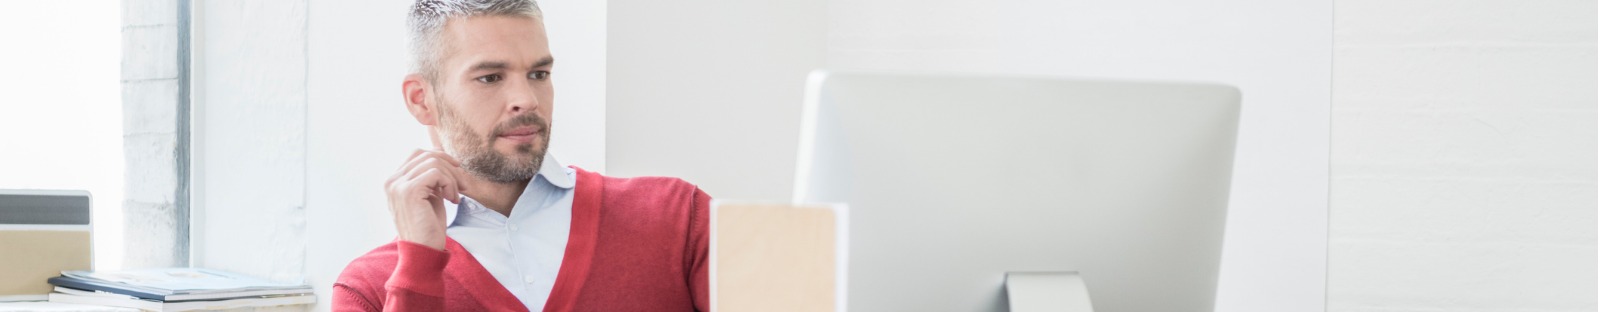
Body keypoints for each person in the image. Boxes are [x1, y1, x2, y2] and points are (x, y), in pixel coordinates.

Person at [332, 1, 710, 311]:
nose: (527, 100)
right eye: (491, 78)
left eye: (539, 74)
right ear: (421, 99)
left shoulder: (678, 218)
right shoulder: (368, 290)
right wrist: (418, 269)